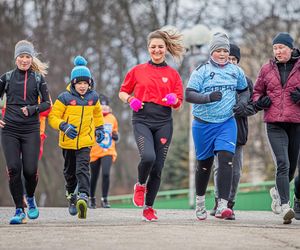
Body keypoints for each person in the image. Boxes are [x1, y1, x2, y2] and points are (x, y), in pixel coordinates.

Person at [119, 28, 185, 221]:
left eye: (160, 47)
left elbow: (179, 104)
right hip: (142, 119)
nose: (157, 50)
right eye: (153, 47)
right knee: (148, 157)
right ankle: (140, 185)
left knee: (157, 167)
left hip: (164, 121)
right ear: (148, 49)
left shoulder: (173, 74)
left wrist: (174, 100)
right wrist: (130, 100)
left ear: (166, 49)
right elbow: (122, 92)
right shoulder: (137, 71)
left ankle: (149, 207)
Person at [185, 33, 249, 220]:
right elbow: (189, 94)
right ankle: (200, 202)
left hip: (226, 122)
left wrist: (242, 103)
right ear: (212, 52)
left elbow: (244, 90)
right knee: (204, 165)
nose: (222, 54)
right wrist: (207, 98)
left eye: (225, 51)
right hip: (203, 124)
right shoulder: (201, 71)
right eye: (219, 50)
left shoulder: (236, 71)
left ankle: (223, 204)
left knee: (226, 159)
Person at [251, 32, 300, 224]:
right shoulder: (266, 69)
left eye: (282, 47)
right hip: (274, 123)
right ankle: (286, 206)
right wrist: (260, 101)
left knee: (292, 166)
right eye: (275, 48)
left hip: (296, 123)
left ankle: (277, 194)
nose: (278, 51)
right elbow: (256, 92)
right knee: (283, 163)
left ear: (291, 48)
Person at [0, 40, 51, 224]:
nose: (24, 60)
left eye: (27, 56)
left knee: (30, 171)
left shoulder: (38, 79)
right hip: (9, 130)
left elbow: (47, 104)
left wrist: (32, 109)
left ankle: (29, 197)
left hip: (30, 130)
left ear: (31, 59)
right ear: (16, 58)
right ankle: (19, 210)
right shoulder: (6, 78)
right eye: (21, 56)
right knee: (14, 169)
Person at [48, 55, 105, 219]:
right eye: (79, 83)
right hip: (68, 141)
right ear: (73, 83)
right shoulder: (64, 98)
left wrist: (100, 129)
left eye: (85, 83)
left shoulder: (93, 97)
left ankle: (83, 196)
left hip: (86, 140)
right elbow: (53, 117)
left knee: (83, 169)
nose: (82, 86)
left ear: (90, 83)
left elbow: (98, 114)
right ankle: (71, 196)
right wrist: (64, 126)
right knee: (70, 172)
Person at [210, 43, 254, 220]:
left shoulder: (245, 81)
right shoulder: (214, 78)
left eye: (234, 59)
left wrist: (244, 109)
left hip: (238, 132)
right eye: (228, 59)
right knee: (219, 167)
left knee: (235, 171)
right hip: (218, 129)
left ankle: (230, 203)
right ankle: (218, 202)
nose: (231, 62)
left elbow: (254, 106)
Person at [89, 94, 119, 208]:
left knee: (106, 174)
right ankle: (91, 199)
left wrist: (115, 136)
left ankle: (104, 199)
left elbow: (115, 133)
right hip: (94, 151)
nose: (104, 107)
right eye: (101, 105)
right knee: (94, 176)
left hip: (108, 150)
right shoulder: (93, 117)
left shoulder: (112, 118)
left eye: (106, 105)